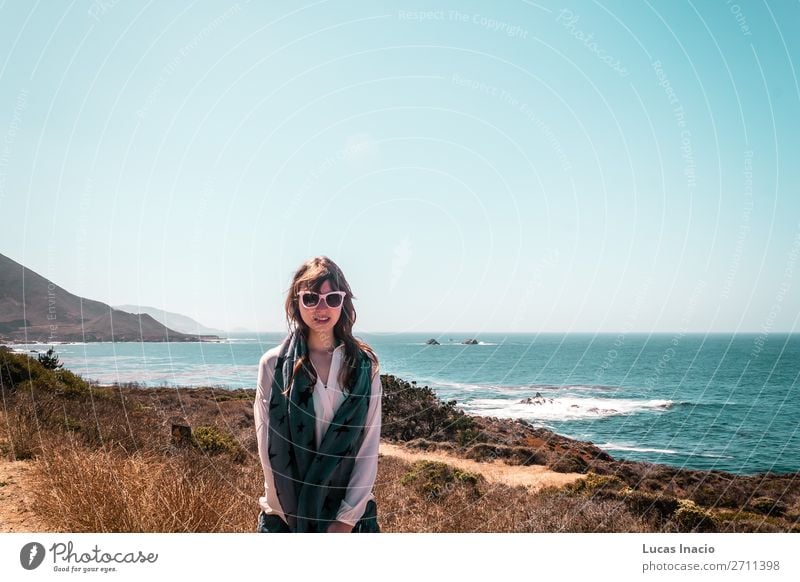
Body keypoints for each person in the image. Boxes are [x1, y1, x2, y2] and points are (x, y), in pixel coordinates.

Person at [253, 256, 382, 533]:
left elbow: (369, 446)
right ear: (296, 302)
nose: (321, 308)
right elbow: (267, 449)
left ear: (343, 302)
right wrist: (293, 516)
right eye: (311, 298)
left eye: (332, 298)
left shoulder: (364, 366)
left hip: (353, 520)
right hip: (283, 518)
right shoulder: (273, 364)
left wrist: (345, 520)